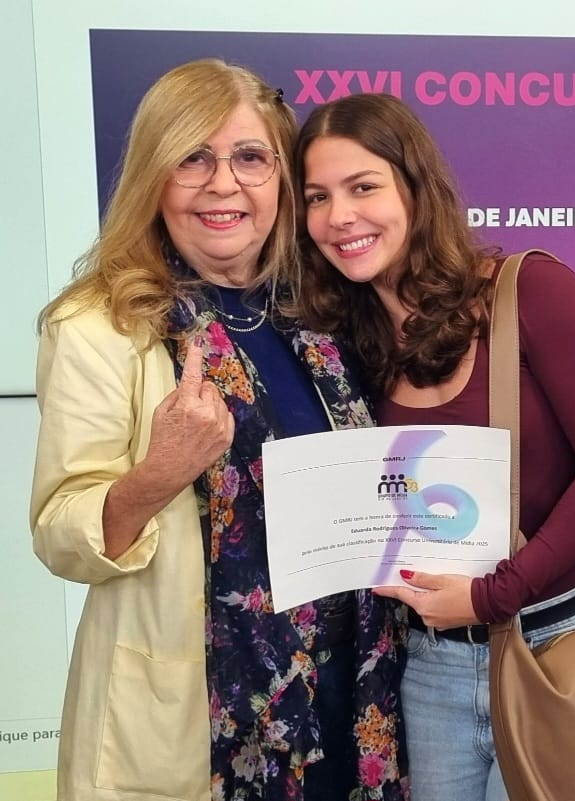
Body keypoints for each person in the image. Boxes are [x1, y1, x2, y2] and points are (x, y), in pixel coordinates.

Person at [30, 61, 407, 801]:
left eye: (250, 157)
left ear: (281, 180)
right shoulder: (100, 325)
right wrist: (160, 472)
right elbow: (59, 534)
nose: (223, 183)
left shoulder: (324, 311)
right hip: (206, 717)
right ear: (154, 176)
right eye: (192, 158)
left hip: (354, 693)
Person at [293, 92, 575, 801]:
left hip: (557, 640)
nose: (340, 216)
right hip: (429, 663)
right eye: (317, 197)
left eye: (363, 187)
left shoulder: (531, 290)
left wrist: (494, 594)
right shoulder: (339, 344)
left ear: (416, 189)